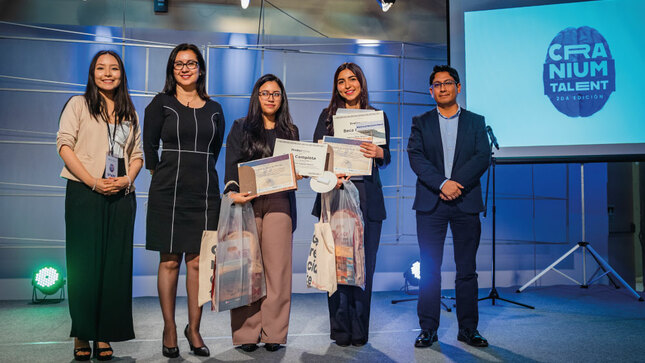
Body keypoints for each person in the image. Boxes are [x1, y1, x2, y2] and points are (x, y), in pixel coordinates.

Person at [56, 50, 142, 361]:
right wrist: (93, 181)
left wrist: (126, 180)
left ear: (122, 74)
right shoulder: (77, 105)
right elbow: (64, 146)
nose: (108, 74)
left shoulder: (129, 112)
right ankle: (82, 332)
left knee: (114, 268)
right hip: (84, 194)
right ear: (93, 72)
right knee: (83, 267)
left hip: (121, 195)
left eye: (114, 68)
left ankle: (104, 333)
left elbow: (137, 156)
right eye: (101, 68)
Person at [143, 43, 225, 358]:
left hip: (204, 192)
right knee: (169, 261)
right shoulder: (160, 103)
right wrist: (161, 174)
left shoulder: (215, 108)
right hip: (168, 190)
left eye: (191, 63)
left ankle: (194, 329)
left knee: (198, 263)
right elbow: (149, 146)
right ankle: (170, 328)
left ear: (201, 69)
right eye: (179, 63)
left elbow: (215, 150)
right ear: (172, 69)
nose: (185, 68)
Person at [407, 65, 490, 348]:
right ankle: (428, 328)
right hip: (432, 203)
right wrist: (442, 184)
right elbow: (416, 158)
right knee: (430, 269)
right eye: (437, 85)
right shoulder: (421, 121)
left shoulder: (476, 121)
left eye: (448, 83)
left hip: (466, 202)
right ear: (431, 91)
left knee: (466, 269)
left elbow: (482, 157)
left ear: (458, 87)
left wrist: (456, 184)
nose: (442, 88)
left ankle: (468, 329)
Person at [312, 62, 391, 347]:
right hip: (334, 197)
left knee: (363, 269)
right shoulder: (327, 116)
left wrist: (379, 151)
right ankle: (340, 331)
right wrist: (330, 170)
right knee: (337, 267)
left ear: (361, 82)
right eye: (341, 81)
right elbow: (316, 153)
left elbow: (386, 156)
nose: (347, 85)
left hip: (367, 200)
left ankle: (359, 331)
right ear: (336, 86)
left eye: (352, 79)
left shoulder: (376, 115)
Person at [224, 74, 299, 352]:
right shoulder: (241, 127)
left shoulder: (291, 130)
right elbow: (231, 168)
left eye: (276, 93)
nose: (270, 98)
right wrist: (233, 192)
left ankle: (274, 333)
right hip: (248, 204)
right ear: (257, 97)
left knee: (278, 272)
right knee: (248, 270)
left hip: (280, 203)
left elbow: (297, 168)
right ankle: (246, 333)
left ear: (282, 98)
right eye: (265, 93)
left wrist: (300, 172)